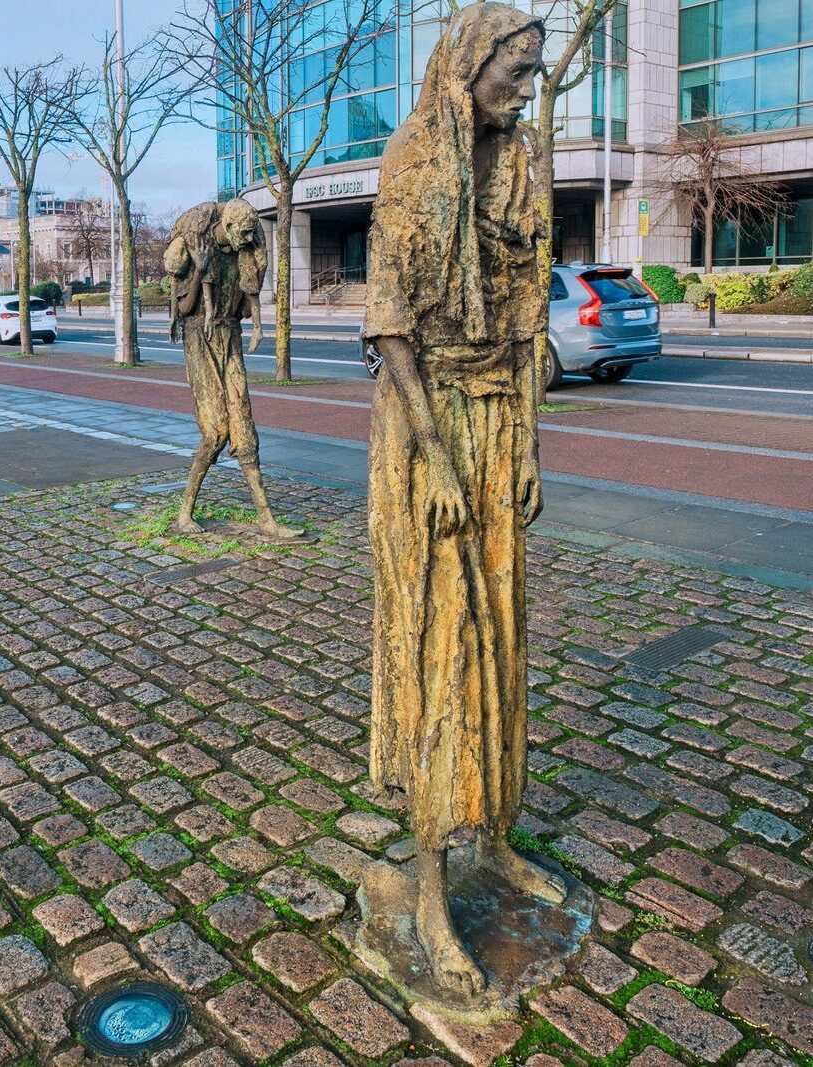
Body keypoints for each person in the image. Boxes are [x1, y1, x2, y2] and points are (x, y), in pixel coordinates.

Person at [364, 2, 560, 998]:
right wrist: (436, 452)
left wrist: (526, 441)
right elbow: (391, 321)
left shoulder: (522, 158)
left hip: (495, 426)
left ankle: (499, 836)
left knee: (503, 631)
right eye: (514, 69)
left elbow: (527, 317)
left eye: (534, 70)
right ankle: (432, 880)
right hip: (425, 427)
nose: (524, 87)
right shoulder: (412, 155)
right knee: (442, 641)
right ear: (470, 62)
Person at [165, 198, 301, 540]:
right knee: (215, 432)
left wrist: (256, 325)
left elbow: (250, 293)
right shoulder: (201, 247)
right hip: (200, 338)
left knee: (245, 427)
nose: (246, 239)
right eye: (242, 233)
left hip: (231, 338)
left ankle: (267, 519)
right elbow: (188, 286)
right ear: (226, 227)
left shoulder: (243, 254)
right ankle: (185, 512)